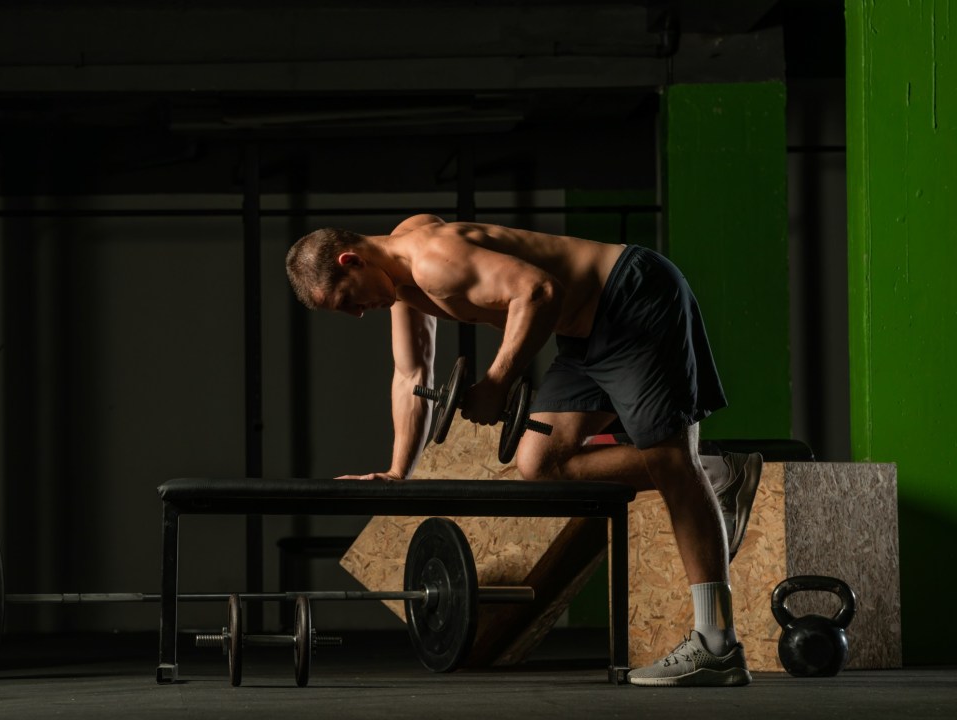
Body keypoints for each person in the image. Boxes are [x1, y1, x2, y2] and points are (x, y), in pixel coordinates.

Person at [285, 214, 763, 687]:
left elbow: (537, 291)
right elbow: (412, 375)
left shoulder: (431, 261)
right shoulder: (402, 274)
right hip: (581, 335)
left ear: (351, 260)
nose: (357, 313)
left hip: (630, 298)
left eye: (348, 300)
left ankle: (717, 643)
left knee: (668, 463)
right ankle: (709, 471)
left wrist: (496, 383)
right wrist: (396, 471)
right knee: (539, 464)